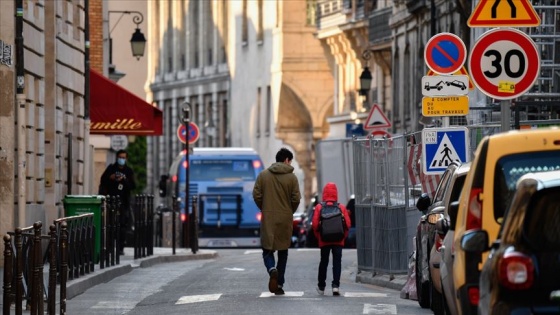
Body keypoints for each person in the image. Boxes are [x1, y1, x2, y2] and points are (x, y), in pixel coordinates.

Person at [252, 147, 301, 295]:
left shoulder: (263, 175)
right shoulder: (292, 178)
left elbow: (256, 194)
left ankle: (271, 269)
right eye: (290, 161)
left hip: (268, 217)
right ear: (287, 160)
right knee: (283, 251)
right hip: (285, 217)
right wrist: (289, 210)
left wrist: (264, 206)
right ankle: (279, 284)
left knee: (267, 250)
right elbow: (296, 199)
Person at [312, 182, 351, 296]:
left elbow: (314, 225)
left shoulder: (319, 207)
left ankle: (321, 287)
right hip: (338, 240)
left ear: (324, 193)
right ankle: (335, 286)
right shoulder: (341, 207)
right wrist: (343, 236)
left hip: (324, 240)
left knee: (323, 262)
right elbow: (347, 224)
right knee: (337, 262)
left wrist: (319, 237)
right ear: (335, 193)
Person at [99, 149, 136, 255]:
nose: (122, 159)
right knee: (110, 224)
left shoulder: (128, 171)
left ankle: (120, 247)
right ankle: (110, 246)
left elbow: (133, 186)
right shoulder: (111, 168)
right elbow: (103, 180)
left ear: (126, 159)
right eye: (120, 157)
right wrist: (111, 178)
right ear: (117, 158)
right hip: (111, 201)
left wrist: (124, 180)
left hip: (123, 202)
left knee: (122, 225)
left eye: (124, 158)